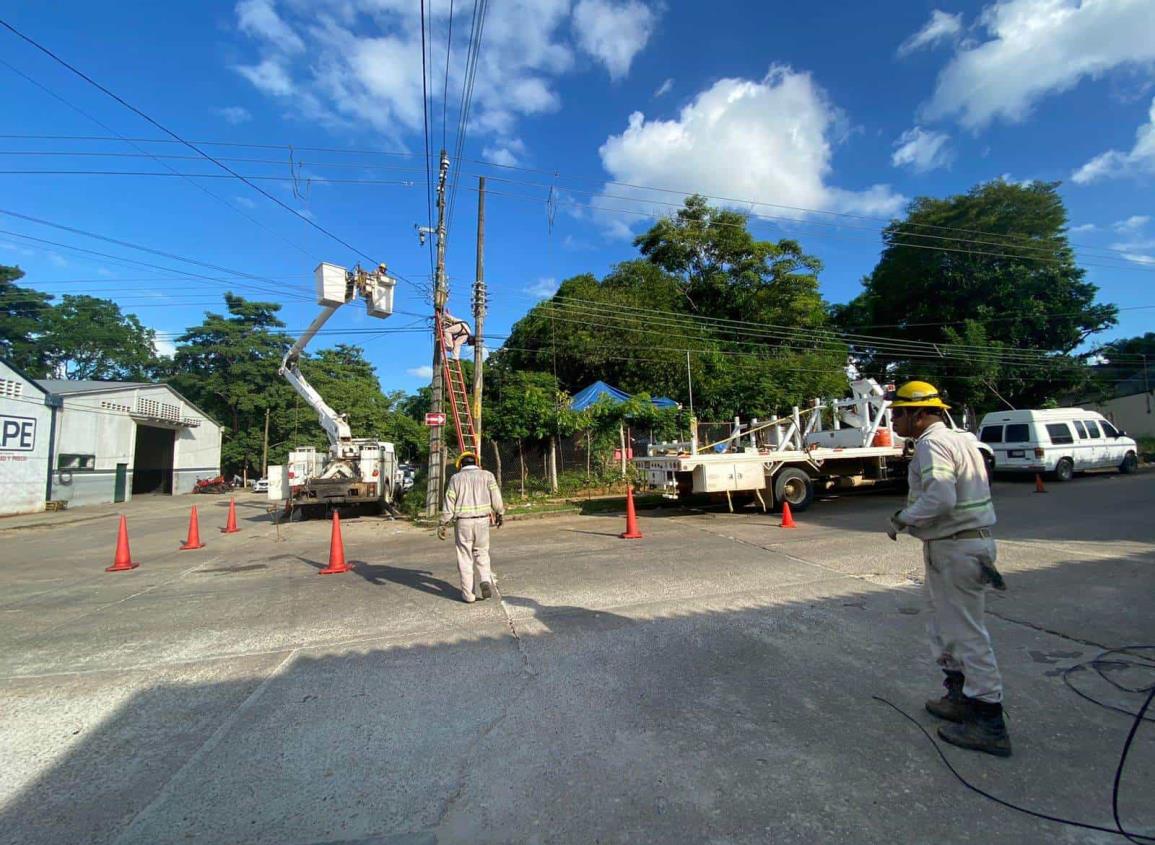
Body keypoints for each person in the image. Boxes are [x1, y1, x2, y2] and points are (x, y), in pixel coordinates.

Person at [886, 380, 1011, 757]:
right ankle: (959, 698)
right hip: (958, 546)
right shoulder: (961, 439)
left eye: (898, 413)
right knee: (946, 629)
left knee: (967, 636)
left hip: (957, 548)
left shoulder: (931, 443)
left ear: (920, 414)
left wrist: (902, 519)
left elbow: (941, 496)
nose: (893, 421)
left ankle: (989, 723)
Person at [438, 451, 505, 603]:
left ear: (461, 465)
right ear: (476, 463)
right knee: (482, 552)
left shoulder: (455, 479)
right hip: (482, 521)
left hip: (463, 523)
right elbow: (496, 497)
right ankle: (485, 579)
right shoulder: (487, 476)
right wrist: (500, 513)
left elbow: (449, 502)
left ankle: (468, 595)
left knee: (465, 557)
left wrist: (443, 523)